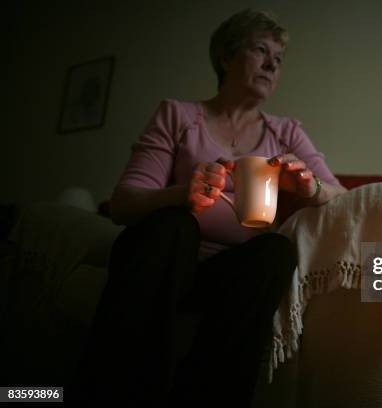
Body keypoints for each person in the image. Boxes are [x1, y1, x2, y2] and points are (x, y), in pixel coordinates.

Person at [69, 8, 347, 408]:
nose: (272, 64)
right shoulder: (177, 115)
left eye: (278, 58)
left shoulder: (285, 132)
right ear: (226, 57)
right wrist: (183, 193)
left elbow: (339, 194)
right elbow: (124, 204)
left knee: (275, 250)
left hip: (224, 275)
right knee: (175, 224)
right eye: (260, 50)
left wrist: (309, 185)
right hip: (163, 260)